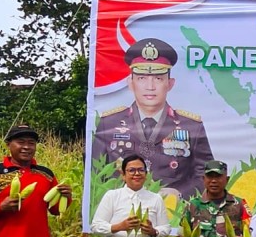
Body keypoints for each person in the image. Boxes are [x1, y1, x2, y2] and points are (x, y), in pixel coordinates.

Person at [91, 37, 215, 200]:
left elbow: (205, 174)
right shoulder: (109, 123)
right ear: (131, 83)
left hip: (172, 214)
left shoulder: (191, 126)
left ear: (170, 83)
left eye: (158, 78)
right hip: (122, 212)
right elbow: (94, 174)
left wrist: (179, 194)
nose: (150, 86)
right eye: (142, 78)